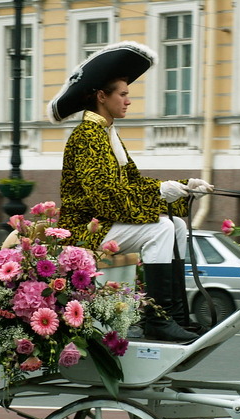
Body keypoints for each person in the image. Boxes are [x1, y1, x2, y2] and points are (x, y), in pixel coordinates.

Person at [47, 41, 213, 343]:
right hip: (85, 230)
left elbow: (132, 184)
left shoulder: (106, 134)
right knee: (160, 228)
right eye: (122, 94)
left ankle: (175, 317)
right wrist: (161, 194)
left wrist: (183, 188)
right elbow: (105, 197)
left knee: (176, 225)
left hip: (106, 222)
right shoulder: (87, 136)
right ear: (101, 96)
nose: (128, 101)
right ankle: (157, 320)